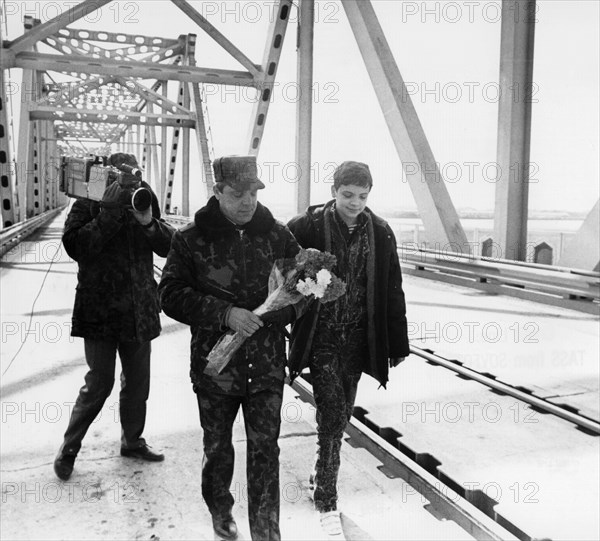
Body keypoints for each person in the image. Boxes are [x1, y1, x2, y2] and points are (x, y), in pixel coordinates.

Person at [158, 155, 301, 541]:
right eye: (237, 193)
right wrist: (225, 314)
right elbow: (169, 294)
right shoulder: (190, 239)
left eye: (253, 192)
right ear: (217, 191)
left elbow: (302, 291)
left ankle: (266, 532)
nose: (247, 201)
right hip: (216, 370)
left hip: (267, 366)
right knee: (218, 449)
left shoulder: (279, 236)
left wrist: (271, 315)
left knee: (265, 452)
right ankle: (221, 511)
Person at [287, 161, 410, 539]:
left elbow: (392, 288)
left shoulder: (382, 233)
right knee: (332, 411)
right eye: (347, 195)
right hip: (321, 336)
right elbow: (279, 275)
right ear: (334, 190)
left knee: (341, 418)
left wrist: (397, 342)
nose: (354, 203)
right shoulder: (305, 227)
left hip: (360, 338)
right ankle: (327, 498)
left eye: (362, 196)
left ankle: (320, 470)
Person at [53, 152, 175, 481]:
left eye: (133, 178)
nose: (128, 185)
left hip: (138, 309)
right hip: (100, 311)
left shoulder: (143, 194)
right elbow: (76, 245)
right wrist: (107, 213)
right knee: (99, 384)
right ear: (107, 176)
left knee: (137, 384)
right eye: (121, 179)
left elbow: (168, 247)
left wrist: (148, 221)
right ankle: (69, 448)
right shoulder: (88, 199)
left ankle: (132, 441)